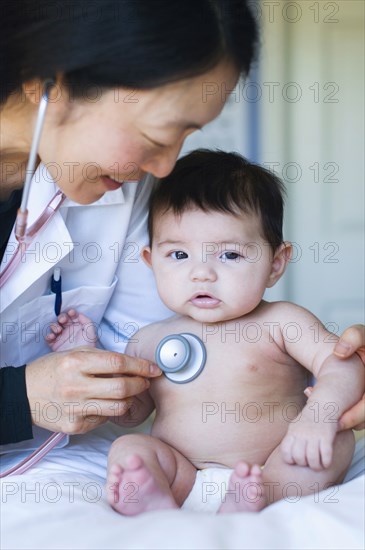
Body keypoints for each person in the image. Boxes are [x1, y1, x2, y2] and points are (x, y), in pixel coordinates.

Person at [0, 0, 363, 460]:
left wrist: (339, 377)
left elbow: (160, 368)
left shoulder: (129, 189)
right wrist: (20, 398)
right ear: (49, 83)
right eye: (156, 136)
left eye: (185, 138)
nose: (167, 166)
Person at [46, 150, 364, 514]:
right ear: (151, 262)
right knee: (130, 448)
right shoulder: (148, 340)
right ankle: (153, 497)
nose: (202, 274)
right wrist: (90, 357)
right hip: (186, 474)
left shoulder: (282, 322)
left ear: (275, 264)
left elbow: (345, 363)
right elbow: (130, 414)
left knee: (336, 441)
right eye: (179, 256)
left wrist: (318, 416)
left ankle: (263, 500)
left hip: (273, 467)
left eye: (229, 255)